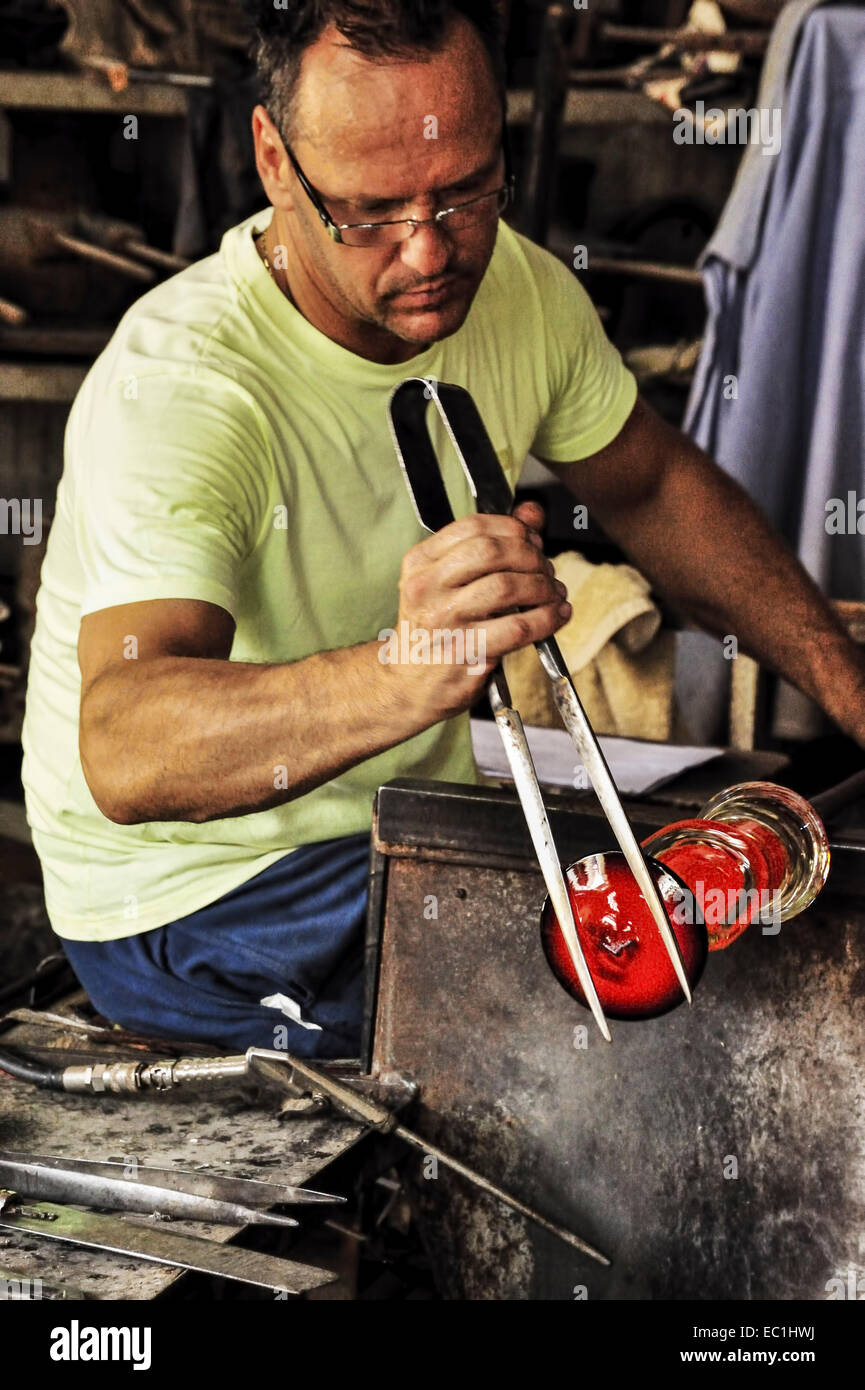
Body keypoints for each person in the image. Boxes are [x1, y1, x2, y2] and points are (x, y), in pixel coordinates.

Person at [21, 1, 865, 1058]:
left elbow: (650, 488)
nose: (431, 251)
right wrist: (402, 671)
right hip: (195, 898)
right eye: (372, 211)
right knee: (638, 1026)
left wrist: (847, 683)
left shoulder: (517, 291)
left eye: (465, 190)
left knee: (738, 923)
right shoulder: (186, 388)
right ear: (274, 161)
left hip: (408, 820)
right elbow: (128, 742)